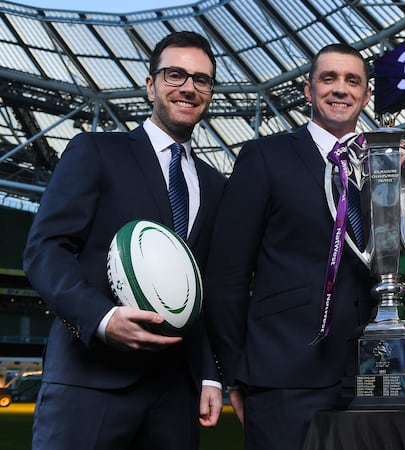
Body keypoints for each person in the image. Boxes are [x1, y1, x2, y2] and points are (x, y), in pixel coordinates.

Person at [22, 31, 225, 449]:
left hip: (175, 393)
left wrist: (209, 372)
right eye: (175, 74)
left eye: (201, 80)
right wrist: (102, 318)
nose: (188, 87)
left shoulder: (214, 184)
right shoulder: (95, 151)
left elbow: (207, 288)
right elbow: (45, 250)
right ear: (150, 85)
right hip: (90, 383)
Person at [203, 43, 376, 450]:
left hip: (369, 375)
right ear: (308, 90)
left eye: (353, 81)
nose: (341, 89)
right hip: (283, 377)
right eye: (328, 78)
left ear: (366, 95)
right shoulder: (265, 157)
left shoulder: (382, 169)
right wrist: (237, 372)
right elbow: (226, 275)